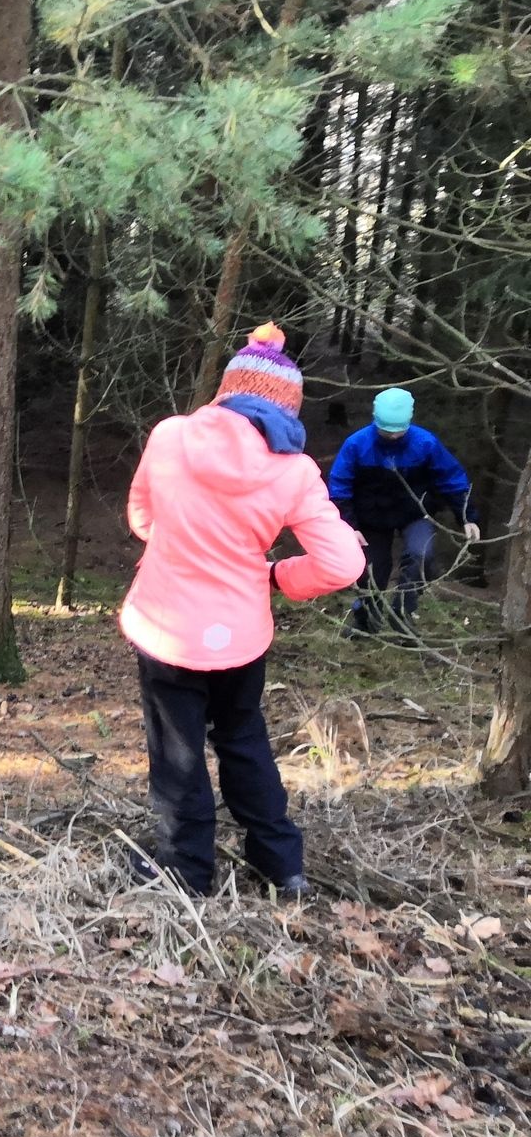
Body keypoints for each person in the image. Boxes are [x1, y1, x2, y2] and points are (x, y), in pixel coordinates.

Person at [119, 325, 366, 899]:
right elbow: (343, 564)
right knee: (243, 739)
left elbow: (141, 516)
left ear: (227, 391)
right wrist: (278, 575)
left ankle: (186, 871)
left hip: (166, 628)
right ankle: (282, 864)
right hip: (240, 635)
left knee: (177, 752)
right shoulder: (294, 471)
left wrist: (180, 542)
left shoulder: (171, 436)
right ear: (287, 409)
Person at [327, 386, 481, 639]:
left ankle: (402, 613)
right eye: (386, 430)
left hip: (415, 513)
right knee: (371, 569)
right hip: (370, 517)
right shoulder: (357, 444)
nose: (392, 436)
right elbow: (339, 486)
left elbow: (451, 479)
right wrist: (349, 526)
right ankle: (365, 622)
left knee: (422, 555)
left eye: (398, 431)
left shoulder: (425, 443)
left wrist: (467, 516)